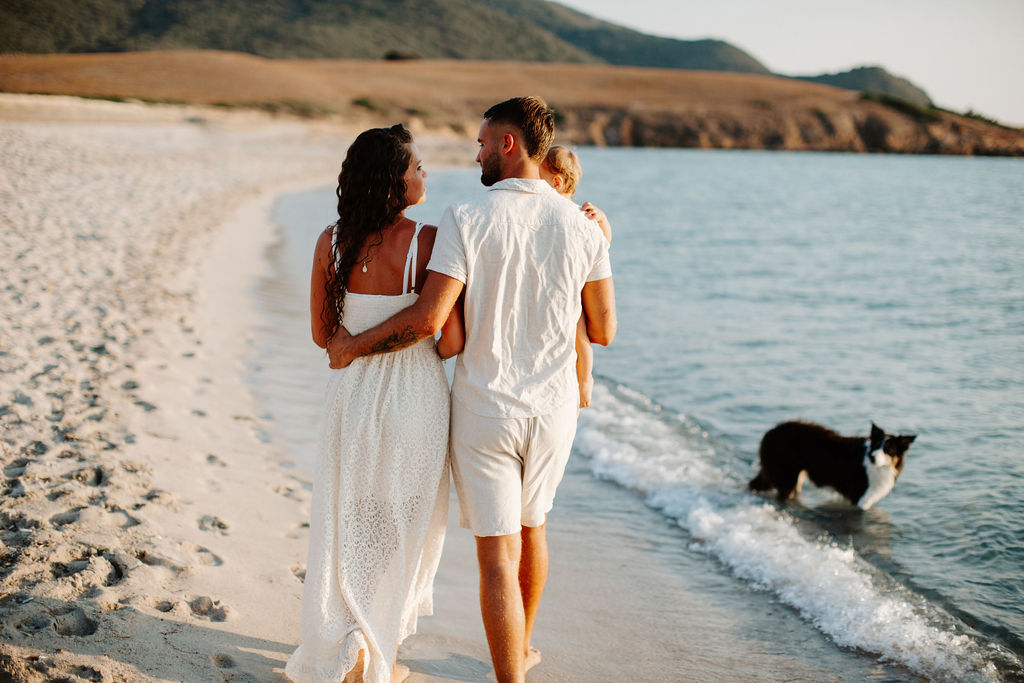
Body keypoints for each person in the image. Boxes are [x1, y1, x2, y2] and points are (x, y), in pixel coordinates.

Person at [327, 97, 616, 683]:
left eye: (483, 143)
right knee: (536, 528)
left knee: (496, 557)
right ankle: (522, 650)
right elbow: (604, 330)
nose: (476, 153)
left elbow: (431, 321)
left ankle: (511, 675)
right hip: (555, 410)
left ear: (509, 143)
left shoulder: (467, 217)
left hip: (487, 408)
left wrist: (354, 347)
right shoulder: (582, 226)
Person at [285, 124, 464, 683]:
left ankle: (348, 634)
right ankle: (370, 638)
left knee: (351, 515)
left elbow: (323, 335)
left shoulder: (329, 242)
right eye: (417, 167)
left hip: (352, 399)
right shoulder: (429, 242)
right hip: (415, 402)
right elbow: (450, 341)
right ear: (394, 180)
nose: (424, 174)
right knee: (397, 521)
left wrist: (355, 339)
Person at [539, 145, 612, 408]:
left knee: (579, 336)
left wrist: (602, 219)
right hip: (562, 287)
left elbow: (603, 245)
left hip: (574, 292)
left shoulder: (583, 217)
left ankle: (585, 381)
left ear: (556, 183)